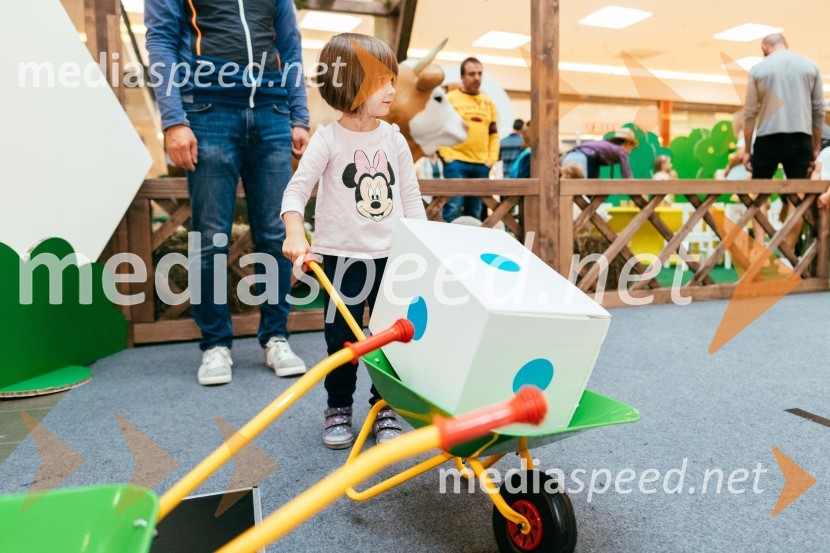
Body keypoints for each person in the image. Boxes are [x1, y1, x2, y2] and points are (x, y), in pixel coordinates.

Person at [145, 0, 309, 386]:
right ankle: (216, 344)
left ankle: (276, 336)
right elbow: (161, 41)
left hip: (271, 112)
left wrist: (298, 114)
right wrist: (173, 120)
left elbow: (289, 43)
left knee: (276, 234)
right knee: (210, 237)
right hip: (208, 110)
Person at [280, 34, 427, 449]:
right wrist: (295, 230)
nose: (393, 90)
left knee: (392, 339)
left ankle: (385, 406)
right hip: (341, 260)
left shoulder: (393, 139)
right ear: (351, 84)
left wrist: (425, 248)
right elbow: (296, 191)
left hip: (392, 258)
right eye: (383, 81)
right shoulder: (327, 139)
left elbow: (410, 198)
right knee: (341, 340)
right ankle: (338, 406)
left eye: (393, 80)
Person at [743, 34, 824, 180]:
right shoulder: (811, 66)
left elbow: (750, 112)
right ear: (786, 45)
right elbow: (818, 110)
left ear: (764, 47)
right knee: (798, 189)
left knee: (760, 188)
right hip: (800, 138)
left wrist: (747, 150)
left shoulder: (757, 70)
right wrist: (816, 146)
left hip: (767, 138)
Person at [438, 57, 499, 222]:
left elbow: (493, 135)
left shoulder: (488, 102)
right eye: (472, 74)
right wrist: (447, 157)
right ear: (462, 77)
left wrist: (490, 161)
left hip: (481, 165)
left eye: (480, 73)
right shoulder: (450, 99)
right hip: (456, 163)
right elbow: (440, 130)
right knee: (453, 209)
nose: (477, 78)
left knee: (476, 214)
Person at [561, 128, 638, 179]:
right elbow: (627, 174)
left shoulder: (607, 146)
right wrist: (633, 188)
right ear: (628, 143)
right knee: (585, 189)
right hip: (584, 159)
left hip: (570, 156)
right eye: (632, 146)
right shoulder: (621, 150)